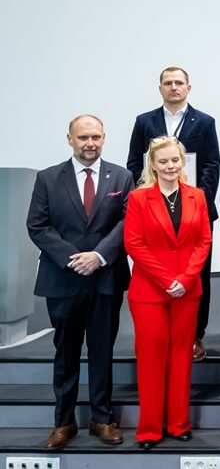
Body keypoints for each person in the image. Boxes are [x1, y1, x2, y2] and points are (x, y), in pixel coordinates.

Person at [26, 115, 134, 451]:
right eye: (83, 137)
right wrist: (75, 258)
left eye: (96, 137)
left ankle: (102, 418)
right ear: (70, 139)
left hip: (105, 278)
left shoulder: (122, 176)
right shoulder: (47, 178)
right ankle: (64, 422)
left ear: (104, 138)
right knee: (66, 352)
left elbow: (127, 221)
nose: (90, 143)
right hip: (63, 279)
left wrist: (98, 256)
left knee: (102, 351)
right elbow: (37, 225)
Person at [126, 67, 220, 362]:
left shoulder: (204, 121)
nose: (174, 87)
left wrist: (198, 200)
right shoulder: (145, 121)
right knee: (157, 264)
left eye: (179, 82)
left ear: (188, 88)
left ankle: (196, 335)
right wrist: (147, 198)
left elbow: (212, 164)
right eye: (168, 83)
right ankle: (158, 332)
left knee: (198, 272)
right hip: (155, 209)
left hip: (192, 208)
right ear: (160, 88)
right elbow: (134, 163)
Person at [124, 137, 212, 449]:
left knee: (181, 357)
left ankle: (178, 423)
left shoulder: (197, 196)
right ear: (153, 165)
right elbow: (134, 243)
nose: (170, 166)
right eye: (163, 161)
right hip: (149, 291)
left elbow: (204, 240)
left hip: (187, 291)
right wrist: (166, 280)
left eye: (175, 160)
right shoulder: (138, 198)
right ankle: (149, 429)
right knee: (150, 359)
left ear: (182, 161)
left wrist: (186, 278)